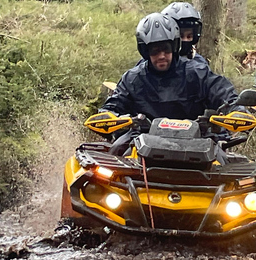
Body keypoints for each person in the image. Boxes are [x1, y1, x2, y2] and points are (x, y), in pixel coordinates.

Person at [101, 12, 244, 156]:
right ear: (145, 51)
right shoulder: (132, 79)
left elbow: (222, 91)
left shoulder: (198, 73)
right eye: (155, 51)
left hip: (198, 144)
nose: (161, 55)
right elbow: (113, 105)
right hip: (139, 145)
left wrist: (236, 109)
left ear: (175, 47)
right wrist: (107, 116)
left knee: (224, 162)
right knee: (112, 156)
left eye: (166, 49)